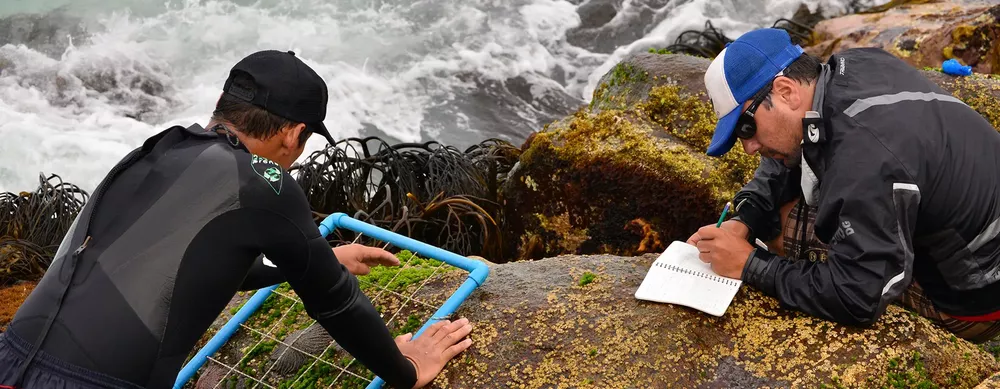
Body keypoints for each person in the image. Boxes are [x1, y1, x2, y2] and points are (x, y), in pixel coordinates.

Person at [0, 50, 473, 389]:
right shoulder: (263, 178)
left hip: (12, 357)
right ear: (293, 134)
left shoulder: (155, 150)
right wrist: (405, 368)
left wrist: (317, 260)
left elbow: (198, 263)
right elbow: (335, 304)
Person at [687, 28, 1000, 343]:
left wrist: (749, 264)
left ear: (785, 91)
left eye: (746, 127)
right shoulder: (854, 65)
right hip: (978, 233)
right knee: (775, 207)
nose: (748, 147)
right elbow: (793, 151)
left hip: (979, 298)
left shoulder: (866, 157)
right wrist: (745, 218)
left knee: (780, 230)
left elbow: (857, 296)